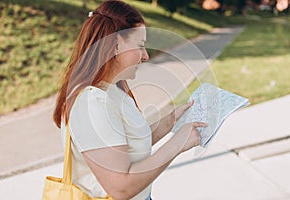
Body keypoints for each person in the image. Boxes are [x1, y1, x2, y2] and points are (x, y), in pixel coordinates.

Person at [53, 1, 207, 199]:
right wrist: (177, 144)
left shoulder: (113, 90)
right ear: (116, 44)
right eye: (140, 46)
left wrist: (171, 121)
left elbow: (127, 147)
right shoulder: (91, 103)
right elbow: (120, 188)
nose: (146, 55)